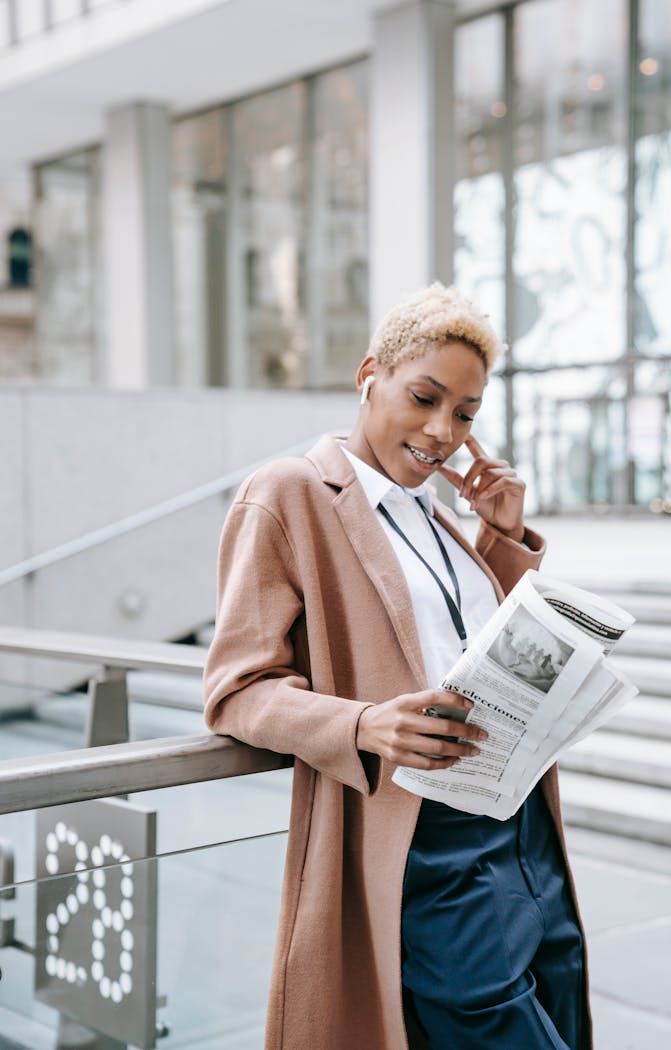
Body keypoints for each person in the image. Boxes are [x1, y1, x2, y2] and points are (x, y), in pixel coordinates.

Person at [203, 283, 591, 1050]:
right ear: (369, 374)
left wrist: (502, 539)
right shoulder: (288, 495)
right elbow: (235, 691)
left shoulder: (437, 513)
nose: (442, 431)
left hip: (523, 825)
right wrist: (364, 723)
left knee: (567, 1016)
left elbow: (469, 649)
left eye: (467, 414)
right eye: (424, 397)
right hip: (427, 842)